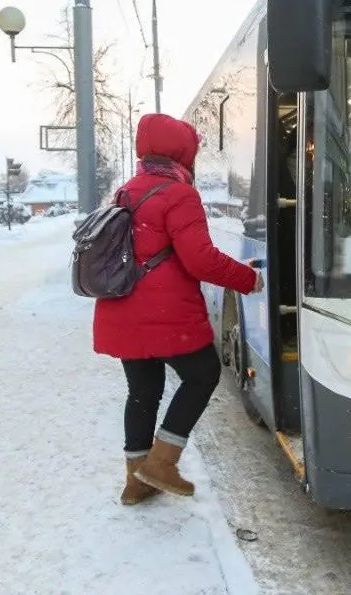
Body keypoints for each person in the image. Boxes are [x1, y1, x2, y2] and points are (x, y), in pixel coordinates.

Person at [93, 113, 263, 506]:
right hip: (166, 314)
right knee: (202, 375)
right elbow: (200, 260)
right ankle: (162, 463)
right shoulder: (179, 194)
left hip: (120, 309)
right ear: (182, 153)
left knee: (142, 390)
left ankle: (136, 482)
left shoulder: (126, 191)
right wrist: (247, 279)